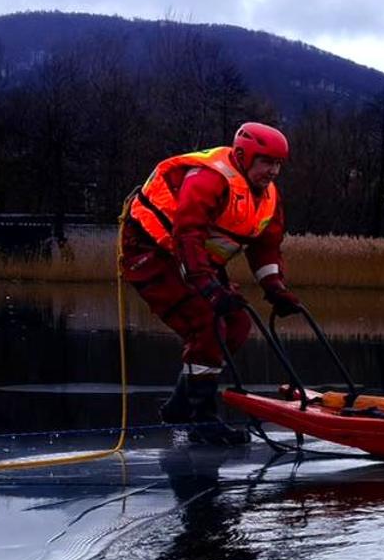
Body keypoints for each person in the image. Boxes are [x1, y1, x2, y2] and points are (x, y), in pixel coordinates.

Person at [119, 123, 303, 444]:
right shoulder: (209, 179)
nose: (273, 171)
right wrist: (207, 287)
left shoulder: (269, 198)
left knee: (237, 325)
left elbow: (266, 246)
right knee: (206, 322)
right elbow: (187, 234)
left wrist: (275, 289)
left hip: (196, 260)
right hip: (151, 250)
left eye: (278, 165)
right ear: (244, 156)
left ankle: (181, 405)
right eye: (266, 163)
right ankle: (201, 420)